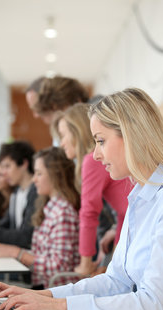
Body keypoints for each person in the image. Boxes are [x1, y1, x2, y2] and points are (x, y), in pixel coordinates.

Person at [0, 88, 163, 310]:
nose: (96, 155)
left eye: (100, 141)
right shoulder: (139, 198)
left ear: (132, 135)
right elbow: (116, 280)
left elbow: (152, 302)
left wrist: (61, 306)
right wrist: (46, 297)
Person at [0, 147, 80, 289]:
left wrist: (17, 253)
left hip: (51, 290)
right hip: (41, 284)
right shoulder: (49, 207)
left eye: (39, 174)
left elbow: (59, 268)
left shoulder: (63, 213)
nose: (34, 179)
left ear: (55, 175)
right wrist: (7, 249)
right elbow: (44, 254)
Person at [52, 103, 132, 275]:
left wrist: (85, 263)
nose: (61, 143)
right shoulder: (94, 161)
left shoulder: (92, 161)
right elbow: (123, 213)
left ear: (77, 133)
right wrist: (116, 258)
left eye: (63, 135)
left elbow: (89, 213)